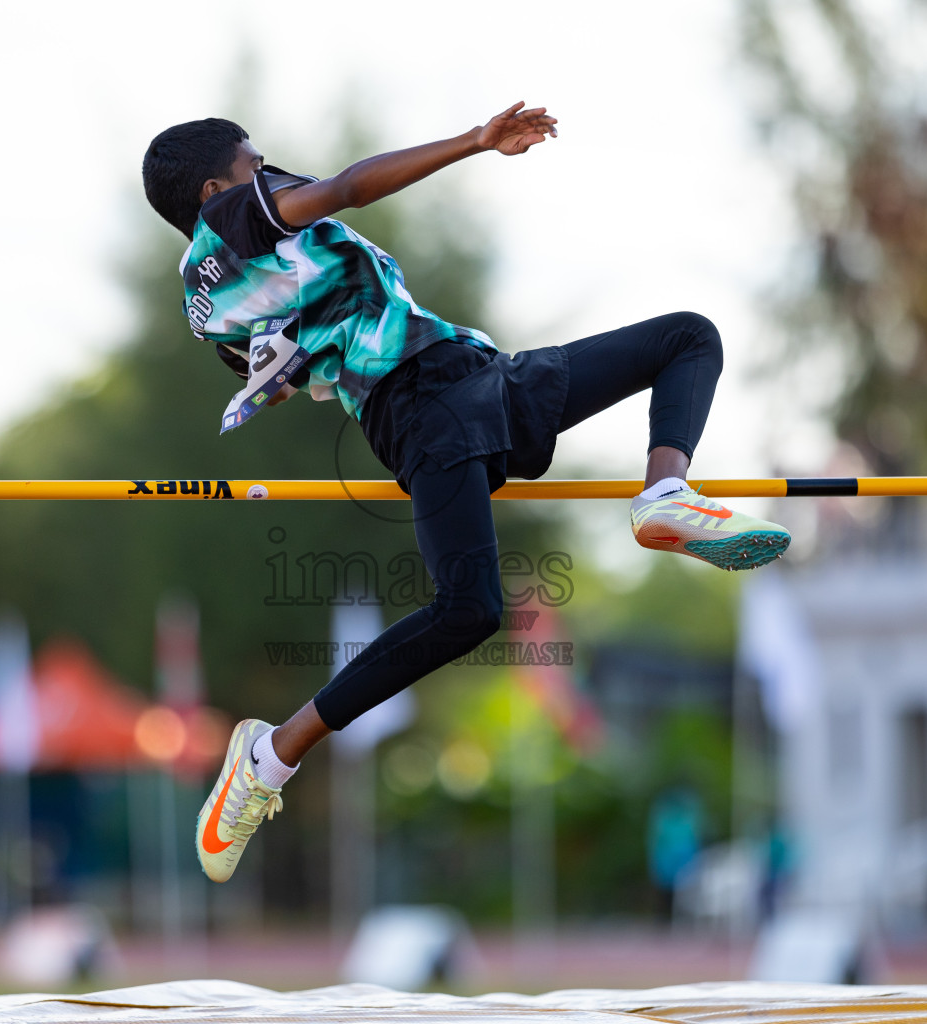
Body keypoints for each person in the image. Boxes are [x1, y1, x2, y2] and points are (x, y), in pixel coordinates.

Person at [141, 103, 791, 883]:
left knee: (687, 336)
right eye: (258, 162)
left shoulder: (210, 299)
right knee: (469, 608)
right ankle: (271, 753)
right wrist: (474, 142)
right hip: (424, 406)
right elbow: (348, 188)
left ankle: (664, 493)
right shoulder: (231, 220)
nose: (273, 172)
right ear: (217, 187)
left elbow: (279, 353)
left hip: (472, 380)